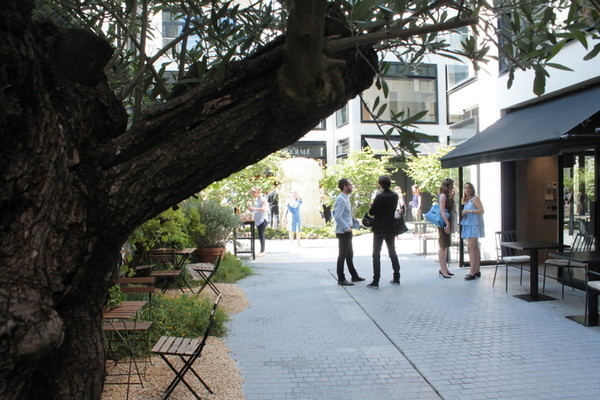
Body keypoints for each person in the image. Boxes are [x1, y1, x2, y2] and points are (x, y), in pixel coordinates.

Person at [367, 175, 401, 288]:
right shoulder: (395, 195)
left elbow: (372, 212)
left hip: (379, 228)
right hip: (390, 227)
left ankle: (376, 280)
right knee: (392, 252)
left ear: (380, 184)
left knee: (376, 254)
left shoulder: (379, 197)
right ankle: (397, 277)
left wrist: (373, 205)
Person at [333, 178, 365, 286]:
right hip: (343, 232)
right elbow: (337, 216)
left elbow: (346, 215)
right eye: (349, 185)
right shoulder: (341, 199)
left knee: (349, 254)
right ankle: (341, 279)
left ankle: (354, 276)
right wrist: (346, 228)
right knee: (342, 255)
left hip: (347, 230)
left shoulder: (346, 198)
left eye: (350, 185)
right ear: (344, 186)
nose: (350, 187)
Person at [460, 182, 485, 280]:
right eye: (465, 188)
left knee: (470, 248)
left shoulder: (475, 198)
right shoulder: (466, 200)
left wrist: (469, 211)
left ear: (472, 189)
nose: (467, 190)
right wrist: (464, 214)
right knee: (474, 248)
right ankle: (476, 270)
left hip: (474, 225)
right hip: (468, 224)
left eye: (469, 188)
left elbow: (481, 210)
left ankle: (472, 272)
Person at [437, 178, 455, 278]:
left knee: (445, 245)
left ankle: (444, 268)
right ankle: (442, 269)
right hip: (443, 223)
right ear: (447, 187)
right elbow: (442, 210)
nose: (452, 188)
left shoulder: (447, 196)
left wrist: (452, 197)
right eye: (451, 186)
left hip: (446, 222)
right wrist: (447, 223)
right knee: (442, 245)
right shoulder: (443, 196)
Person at [248, 187, 268, 257]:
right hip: (258, 219)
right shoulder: (256, 200)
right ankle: (261, 251)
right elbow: (255, 210)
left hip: (262, 220)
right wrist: (251, 209)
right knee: (260, 235)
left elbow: (263, 209)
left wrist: (254, 208)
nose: (252, 195)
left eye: (253, 193)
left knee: (261, 235)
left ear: (256, 192)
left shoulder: (263, 199)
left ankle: (263, 251)